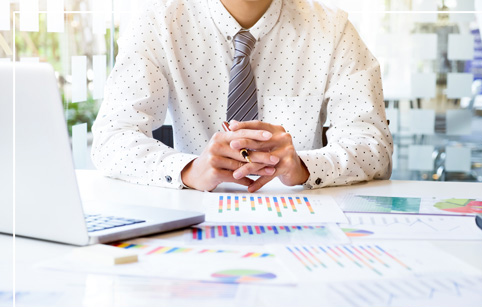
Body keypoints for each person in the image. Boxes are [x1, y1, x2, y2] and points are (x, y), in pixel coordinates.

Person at [91, 0, 393, 193]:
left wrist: (305, 166)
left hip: (303, 217)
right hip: (194, 217)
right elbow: (111, 140)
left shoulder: (333, 28)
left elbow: (374, 147)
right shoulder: (159, 22)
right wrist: (187, 170)